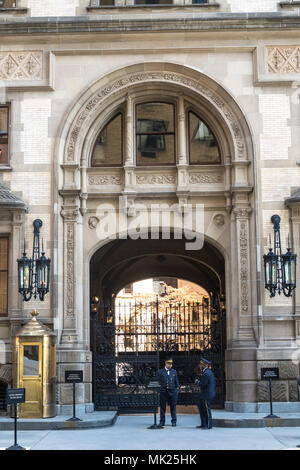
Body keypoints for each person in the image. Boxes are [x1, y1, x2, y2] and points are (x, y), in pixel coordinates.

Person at [156, 358, 179, 427]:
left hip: (172, 391)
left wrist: (176, 390)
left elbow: (176, 382)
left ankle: (174, 421)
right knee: (163, 407)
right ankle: (162, 421)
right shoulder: (160, 372)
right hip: (163, 391)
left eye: (171, 364)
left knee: (173, 407)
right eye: (169, 364)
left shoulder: (174, 371)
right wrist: (158, 390)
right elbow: (157, 382)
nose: (170, 365)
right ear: (165, 364)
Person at [195, 357, 215, 429]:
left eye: (201, 364)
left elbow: (203, 384)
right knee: (202, 409)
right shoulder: (206, 372)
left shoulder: (206, 373)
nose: (200, 365)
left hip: (207, 395)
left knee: (206, 410)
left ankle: (208, 425)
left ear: (204, 365)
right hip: (204, 394)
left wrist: (197, 382)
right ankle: (203, 424)